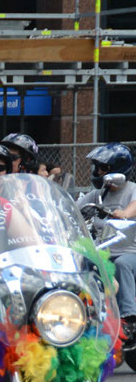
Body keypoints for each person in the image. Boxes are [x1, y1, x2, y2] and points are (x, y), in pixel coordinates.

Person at [77, 144, 136, 340]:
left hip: (130, 252)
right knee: (80, 263)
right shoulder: (99, 194)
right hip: (103, 252)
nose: (98, 172)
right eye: (97, 167)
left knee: (122, 264)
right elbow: (75, 208)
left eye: (103, 168)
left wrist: (125, 213)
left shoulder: (132, 190)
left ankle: (129, 317)